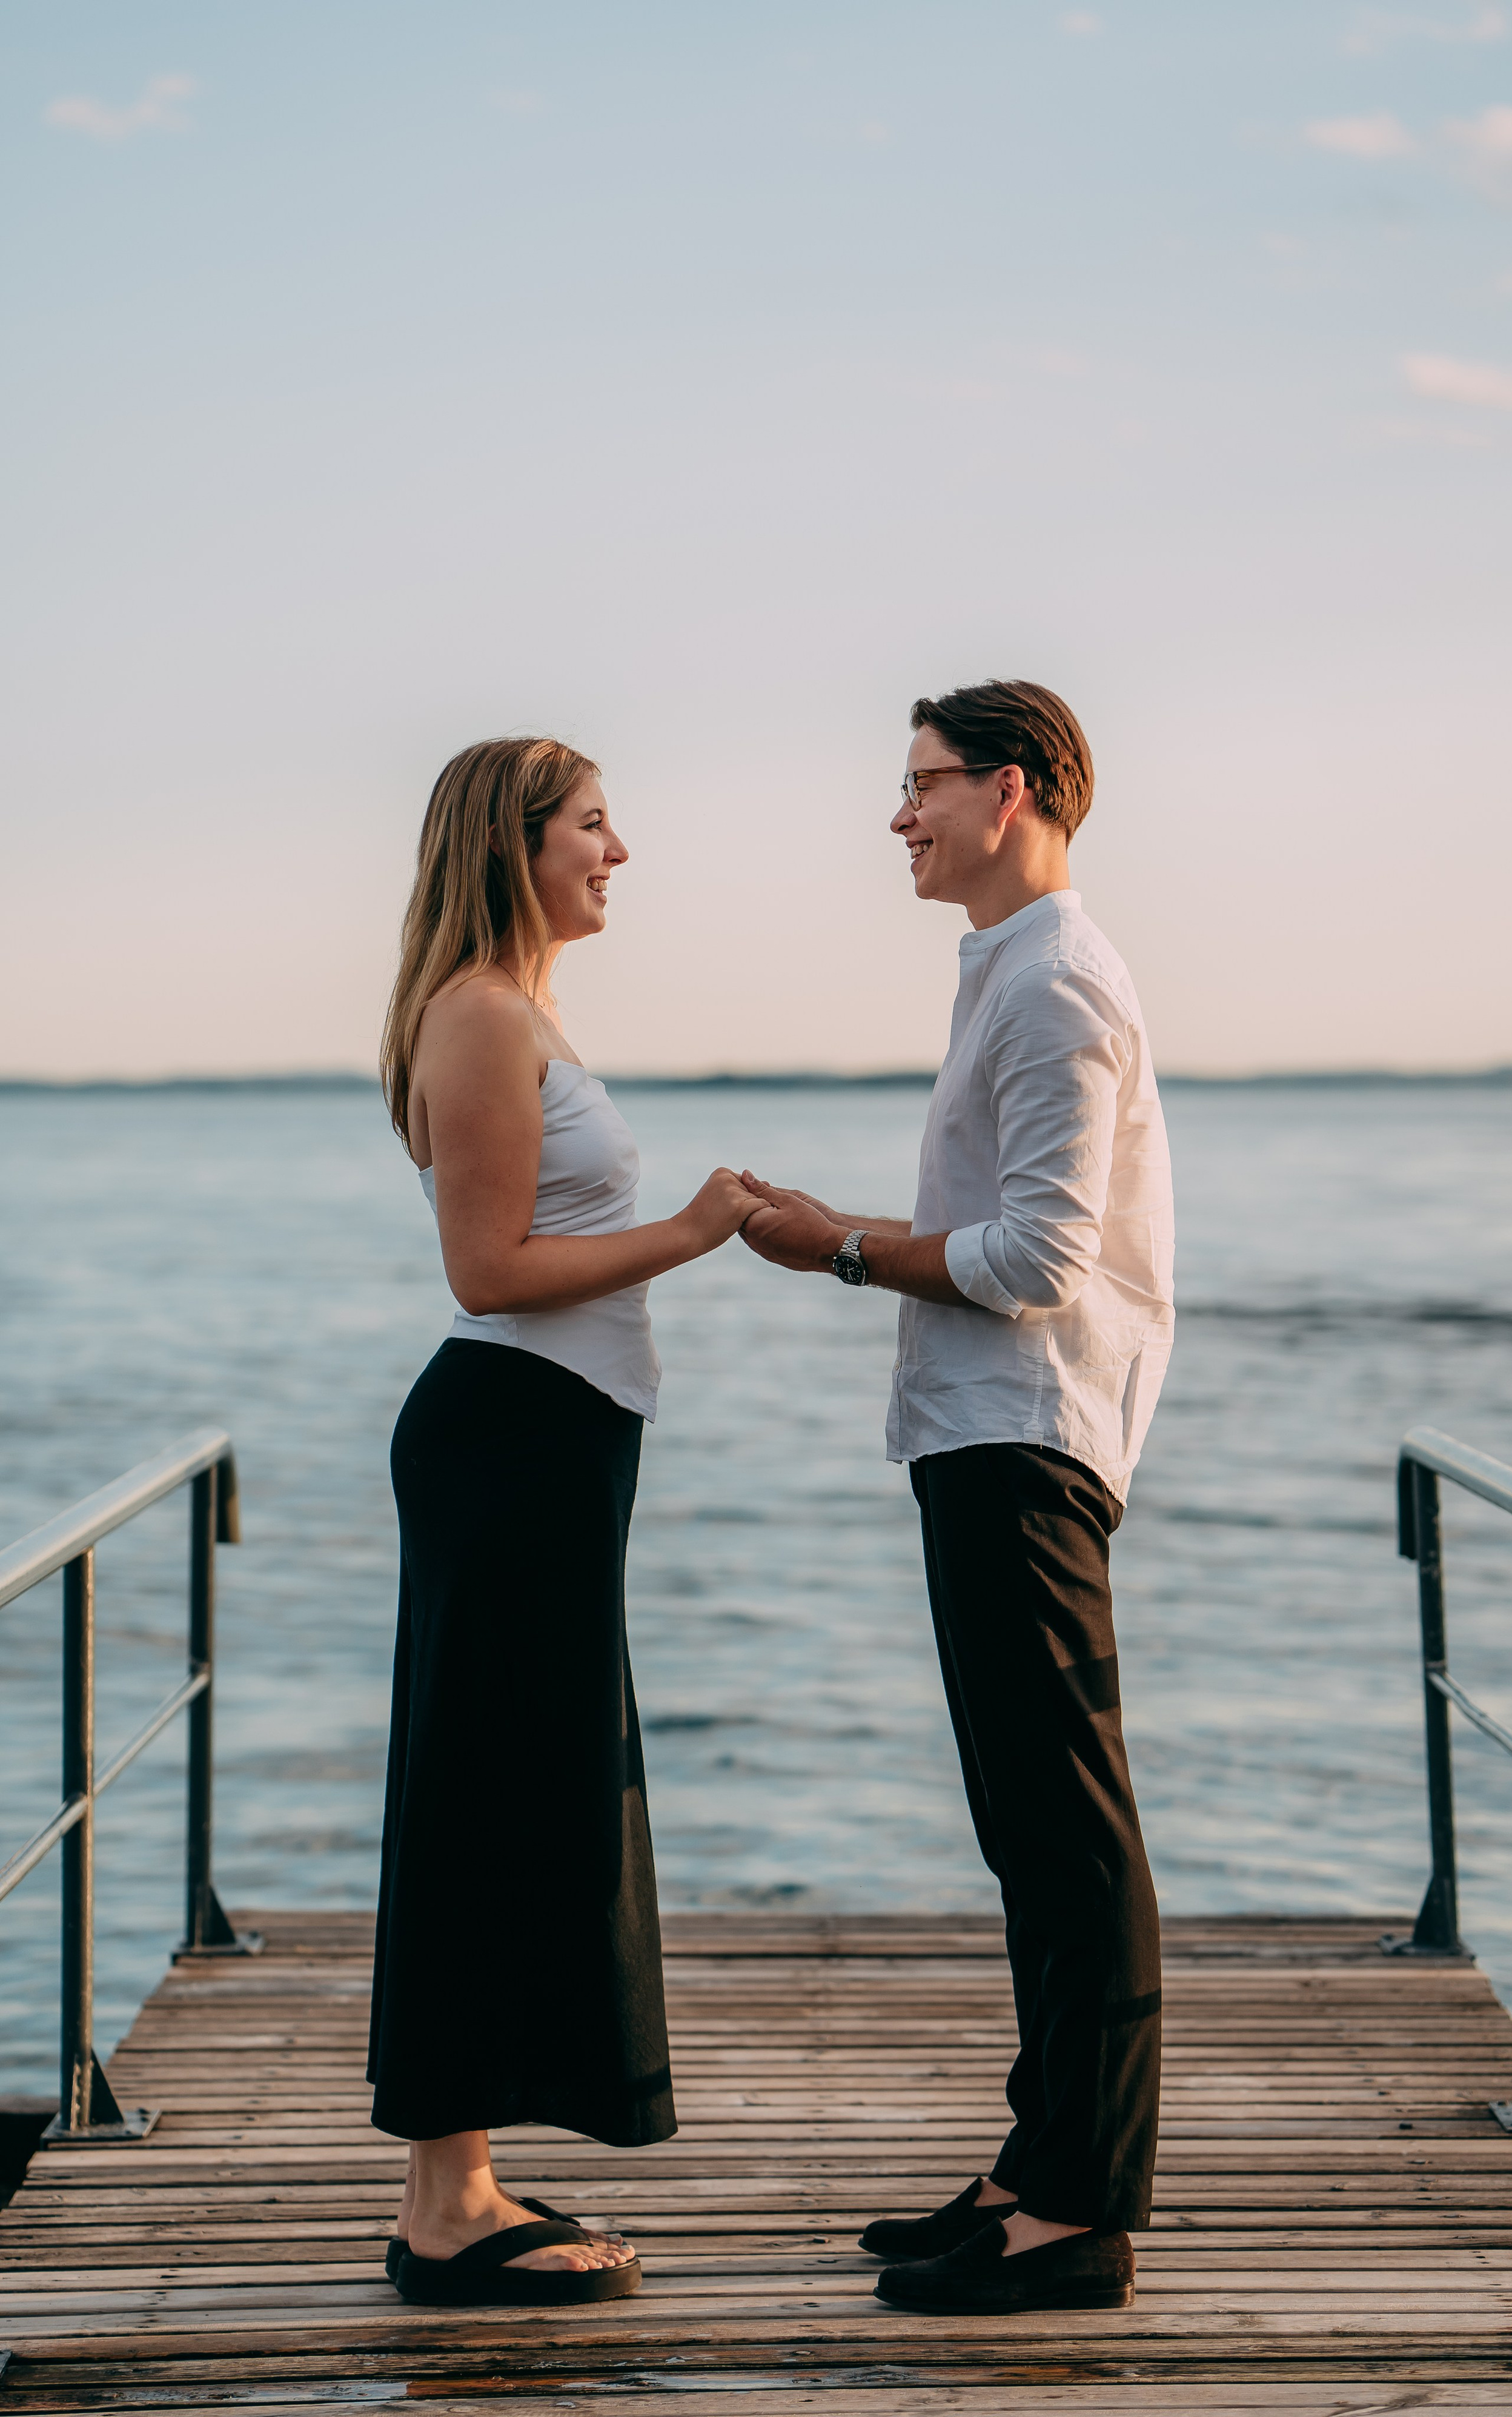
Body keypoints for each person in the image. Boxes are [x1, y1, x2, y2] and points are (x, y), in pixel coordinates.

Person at [738, 679, 1174, 2318]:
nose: (899, 816)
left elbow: (1041, 1261)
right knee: (1026, 1826)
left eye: (922, 785)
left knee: (1067, 1830)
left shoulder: (1059, 982)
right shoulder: (1009, 969)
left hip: (1028, 1433)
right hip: (983, 1433)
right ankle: (1033, 2162)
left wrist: (837, 1245)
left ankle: (1084, 2214)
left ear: (1015, 790)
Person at [368, 735, 758, 2309]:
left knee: (526, 1793)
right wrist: (698, 1228)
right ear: (514, 842)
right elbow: (489, 1270)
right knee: (483, 1794)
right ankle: (443, 2207)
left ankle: (458, 2178)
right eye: (595, 825)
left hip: (556, 1445)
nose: (620, 853)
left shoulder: (518, 1010)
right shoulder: (475, 1011)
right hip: (509, 1440)